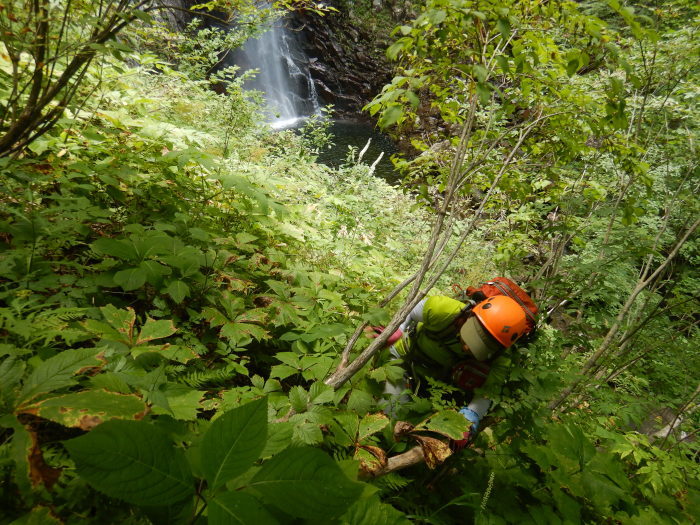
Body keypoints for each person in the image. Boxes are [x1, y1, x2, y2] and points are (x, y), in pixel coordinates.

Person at [368, 293, 531, 450]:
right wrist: (398, 330)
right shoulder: (443, 310)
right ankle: (376, 443)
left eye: (480, 345)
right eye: (472, 335)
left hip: (438, 387)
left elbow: (486, 394)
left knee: (423, 435)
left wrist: (469, 418)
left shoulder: (500, 360)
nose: (467, 347)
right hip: (404, 363)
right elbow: (412, 310)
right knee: (389, 412)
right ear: (470, 316)